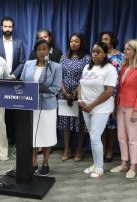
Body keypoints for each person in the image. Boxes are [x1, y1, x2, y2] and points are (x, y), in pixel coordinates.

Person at [20, 39, 62, 176]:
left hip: (48, 105)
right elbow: (21, 82)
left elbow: (56, 89)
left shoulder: (55, 67)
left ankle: (45, 162)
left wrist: (43, 89)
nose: (42, 52)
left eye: (44, 49)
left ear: (49, 50)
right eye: (39, 49)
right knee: (33, 135)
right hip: (30, 104)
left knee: (47, 134)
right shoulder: (28, 64)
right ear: (35, 51)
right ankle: (33, 162)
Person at [110, 39, 137, 178]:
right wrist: (116, 105)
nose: (125, 51)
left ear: (136, 51)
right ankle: (124, 163)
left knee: (132, 138)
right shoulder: (125, 65)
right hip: (121, 105)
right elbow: (120, 88)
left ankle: (133, 165)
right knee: (121, 136)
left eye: (128, 49)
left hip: (133, 107)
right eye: (125, 49)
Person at [78, 41, 118, 178]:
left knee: (95, 137)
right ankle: (95, 164)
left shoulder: (109, 69)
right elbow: (80, 84)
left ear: (105, 53)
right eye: (93, 51)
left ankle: (99, 168)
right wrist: (80, 100)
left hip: (101, 108)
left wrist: (91, 106)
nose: (94, 54)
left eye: (98, 51)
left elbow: (108, 92)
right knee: (93, 136)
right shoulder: (87, 67)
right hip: (86, 107)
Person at [58, 33, 91, 162]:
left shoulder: (87, 59)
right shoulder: (63, 57)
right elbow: (59, 76)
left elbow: (85, 78)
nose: (73, 43)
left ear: (81, 43)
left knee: (80, 123)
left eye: (76, 41)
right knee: (66, 122)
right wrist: (66, 93)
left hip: (80, 94)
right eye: (71, 41)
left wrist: (74, 94)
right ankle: (67, 148)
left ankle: (79, 149)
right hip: (64, 94)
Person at [0, 16, 26, 145]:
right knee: (2, 112)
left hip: (15, 81)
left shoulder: (19, 43)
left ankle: (14, 138)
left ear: (13, 28)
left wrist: (13, 75)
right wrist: (3, 76)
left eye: (10, 26)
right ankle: (4, 139)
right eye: (5, 26)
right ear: (1, 27)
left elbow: (22, 61)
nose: (8, 29)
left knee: (15, 111)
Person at [99, 31, 124, 162]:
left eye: (106, 39)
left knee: (112, 124)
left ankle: (110, 150)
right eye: (102, 39)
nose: (104, 41)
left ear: (112, 40)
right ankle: (102, 148)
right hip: (100, 93)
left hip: (115, 93)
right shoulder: (99, 55)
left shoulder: (121, 56)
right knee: (101, 123)